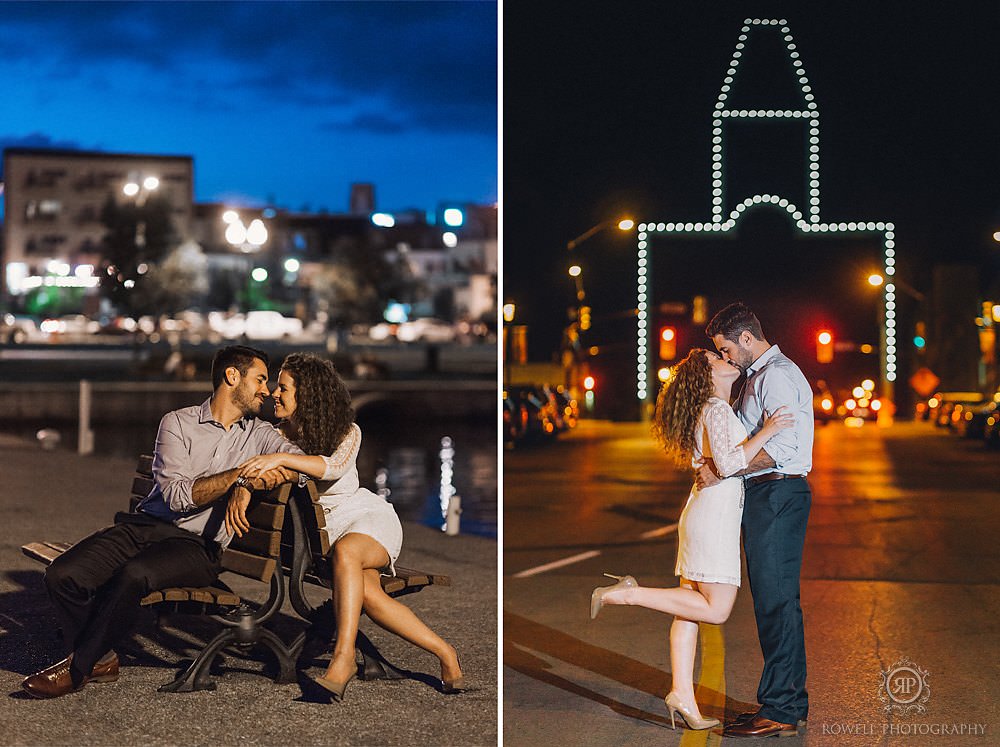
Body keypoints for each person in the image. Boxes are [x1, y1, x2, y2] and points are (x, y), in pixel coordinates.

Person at [23, 345, 300, 699]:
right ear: (233, 377)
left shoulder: (259, 435)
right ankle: (102, 657)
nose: (266, 389)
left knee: (133, 576)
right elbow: (179, 497)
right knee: (63, 575)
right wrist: (238, 476)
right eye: (260, 379)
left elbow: (300, 465)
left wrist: (251, 483)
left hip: (197, 548)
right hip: (145, 526)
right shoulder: (178, 423)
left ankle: (77, 669)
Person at [231, 353, 464, 701]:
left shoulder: (346, 432)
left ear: (307, 395)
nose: (274, 394)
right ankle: (446, 653)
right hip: (324, 537)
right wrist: (244, 486)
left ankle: (343, 659)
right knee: (368, 593)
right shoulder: (274, 436)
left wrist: (280, 459)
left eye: (284, 388)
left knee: (347, 552)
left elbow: (333, 467)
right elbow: (249, 468)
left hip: (366, 522)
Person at [590, 348, 794, 730]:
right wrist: (768, 430)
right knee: (715, 610)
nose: (727, 359)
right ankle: (626, 593)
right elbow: (732, 464)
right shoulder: (715, 409)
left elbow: (724, 460)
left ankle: (682, 694)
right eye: (718, 357)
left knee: (688, 610)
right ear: (708, 374)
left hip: (702, 512)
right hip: (713, 517)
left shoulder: (714, 407)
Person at [701, 302, 814, 738]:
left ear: (746, 338)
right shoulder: (758, 377)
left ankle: (781, 709)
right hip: (769, 495)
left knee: (777, 602)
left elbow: (782, 447)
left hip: (779, 492)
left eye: (727, 349)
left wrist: (726, 468)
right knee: (774, 602)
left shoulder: (776, 376)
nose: (726, 357)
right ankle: (786, 702)